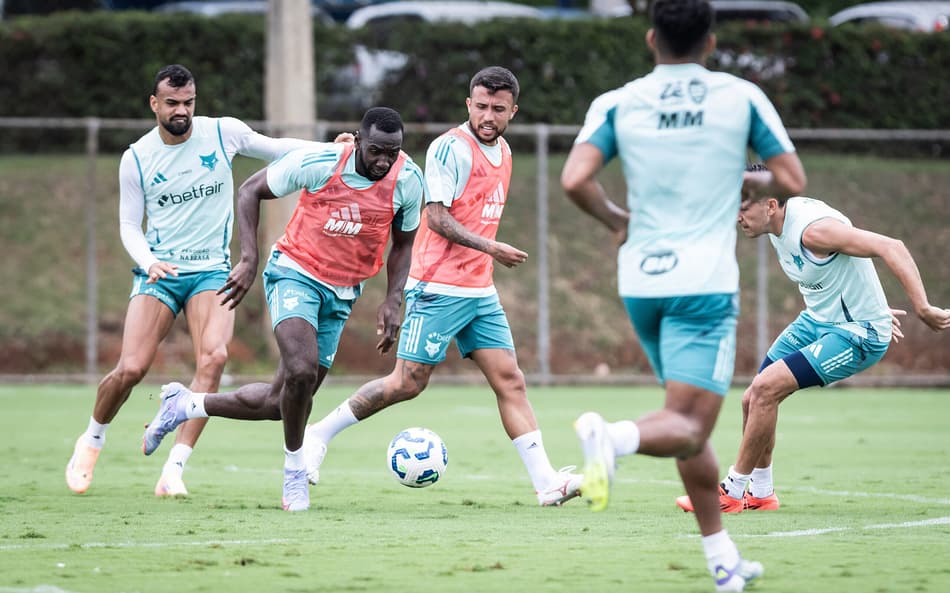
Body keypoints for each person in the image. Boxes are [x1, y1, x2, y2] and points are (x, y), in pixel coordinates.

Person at [559, 0, 806, 590]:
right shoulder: (740, 97)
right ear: (712, 43)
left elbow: (574, 179)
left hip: (642, 281)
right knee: (690, 427)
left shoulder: (616, 102)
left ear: (651, 39)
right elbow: (791, 180)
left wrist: (618, 219)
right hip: (703, 284)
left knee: (682, 418)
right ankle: (611, 440)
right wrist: (740, 176)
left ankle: (723, 560)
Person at [301, 66, 583, 507]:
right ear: (469, 105)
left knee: (511, 380)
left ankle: (546, 481)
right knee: (407, 383)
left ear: (513, 111)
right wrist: (491, 247)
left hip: (478, 292)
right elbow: (436, 217)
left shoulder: (505, 151)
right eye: (482, 106)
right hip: (437, 286)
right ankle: (317, 435)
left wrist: (485, 258)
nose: (489, 116)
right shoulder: (450, 148)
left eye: (498, 109)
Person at [139, 106, 424, 512]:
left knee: (282, 401)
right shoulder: (321, 162)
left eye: (392, 153)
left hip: (343, 292)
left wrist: (394, 298)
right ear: (358, 141)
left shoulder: (408, 180)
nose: (384, 161)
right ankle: (294, 473)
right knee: (301, 369)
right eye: (376, 150)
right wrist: (250, 259)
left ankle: (185, 404)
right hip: (296, 273)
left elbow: (404, 244)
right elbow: (250, 190)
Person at [65, 64, 313, 498]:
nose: (182, 111)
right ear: (154, 104)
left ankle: (174, 470)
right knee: (131, 369)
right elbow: (128, 225)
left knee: (214, 358)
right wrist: (147, 261)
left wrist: (335, 148)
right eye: (173, 103)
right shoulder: (137, 157)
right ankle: (91, 440)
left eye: (189, 103)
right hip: (160, 273)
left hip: (211, 272)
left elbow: (277, 148)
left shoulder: (222, 133)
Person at [675, 165, 950, 514]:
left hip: (856, 334)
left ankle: (731, 492)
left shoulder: (813, 232)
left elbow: (890, 246)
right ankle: (761, 494)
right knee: (753, 397)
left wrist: (921, 307)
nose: (737, 217)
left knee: (764, 390)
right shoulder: (775, 222)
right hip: (818, 321)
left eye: (742, 207)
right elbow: (847, 270)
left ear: (770, 205)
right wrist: (877, 305)